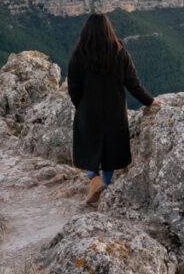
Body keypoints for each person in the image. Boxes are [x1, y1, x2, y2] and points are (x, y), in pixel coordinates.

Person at [67, 13, 161, 205]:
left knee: (87, 148)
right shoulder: (119, 53)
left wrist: (81, 106)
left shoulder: (79, 55)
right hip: (114, 111)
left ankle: (95, 180)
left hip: (88, 111)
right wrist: (150, 101)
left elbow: (73, 87)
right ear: (109, 29)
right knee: (110, 153)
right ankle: (104, 187)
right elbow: (133, 83)